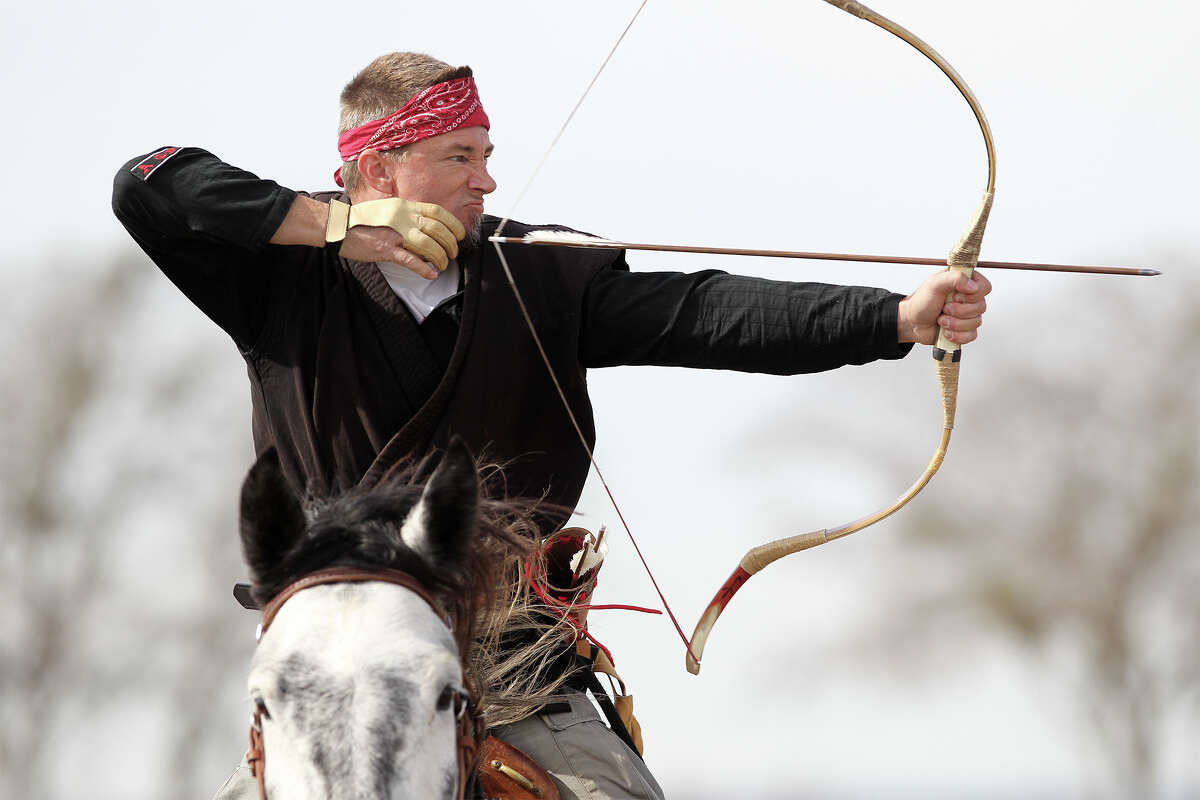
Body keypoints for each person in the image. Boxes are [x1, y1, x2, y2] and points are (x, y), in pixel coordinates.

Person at [112, 52, 990, 800]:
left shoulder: (543, 274)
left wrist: (896, 318)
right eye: (460, 156)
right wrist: (331, 228)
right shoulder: (281, 274)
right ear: (380, 170)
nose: (486, 179)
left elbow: (704, 313)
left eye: (487, 156)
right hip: (334, 671)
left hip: (518, 668)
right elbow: (147, 182)